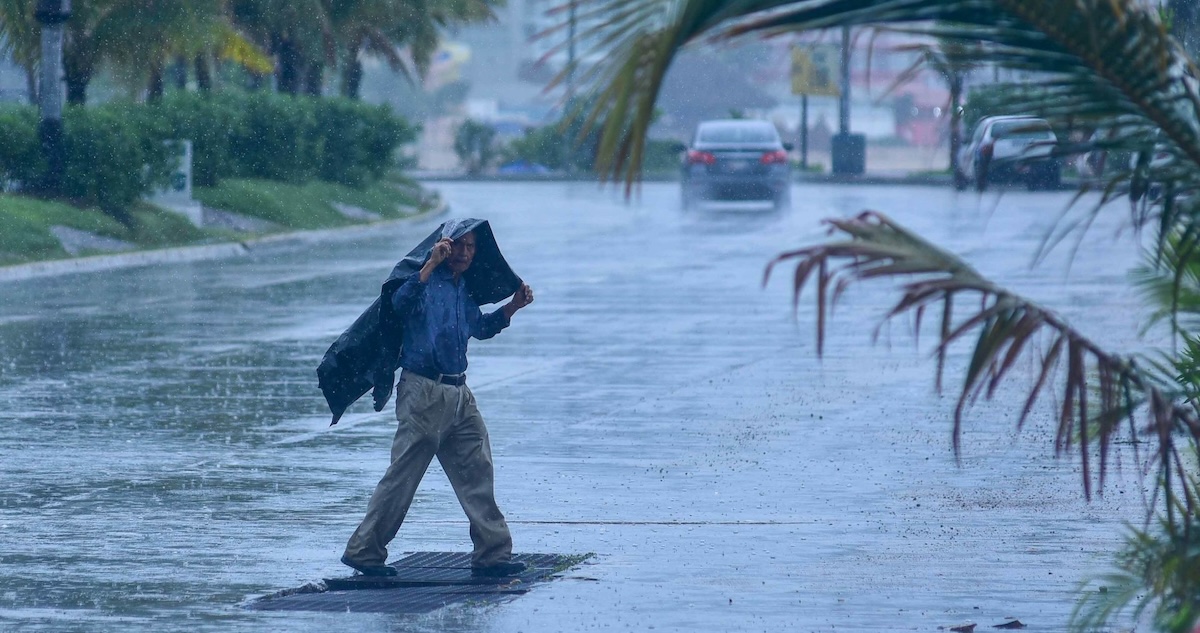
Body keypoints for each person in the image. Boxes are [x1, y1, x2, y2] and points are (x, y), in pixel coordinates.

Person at [340, 228, 534, 578]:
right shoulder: (424, 281)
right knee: (403, 476)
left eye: (471, 247)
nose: (464, 252)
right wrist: (430, 265)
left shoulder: (463, 290)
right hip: (423, 393)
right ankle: (364, 551)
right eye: (458, 244)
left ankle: (493, 554)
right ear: (444, 247)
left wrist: (513, 307)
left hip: (459, 392)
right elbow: (398, 306)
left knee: (478, 470)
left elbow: (480, 327)